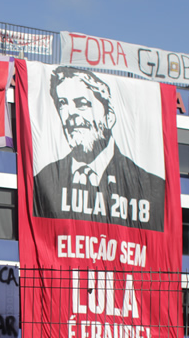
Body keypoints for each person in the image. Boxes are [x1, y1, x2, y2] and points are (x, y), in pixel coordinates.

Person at [33, 66, 166, 231]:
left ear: (109, 117)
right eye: (63, 103)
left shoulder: (152, 188)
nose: (70, 113)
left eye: (82, 103)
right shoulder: (41, 181)